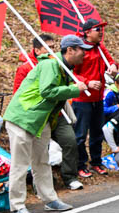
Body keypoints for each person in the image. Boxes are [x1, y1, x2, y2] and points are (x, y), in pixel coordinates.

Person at [4, 35, 88, 213]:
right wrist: (75, 89)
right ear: (70, 50)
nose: (85, 53)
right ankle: (17, 205)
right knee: (20, 164)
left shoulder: (64, 68)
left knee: (42, 161)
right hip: (23, 118)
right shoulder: (51, 64)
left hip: (42, 121)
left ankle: (50, 199)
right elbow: (47, 91)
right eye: (81, 49)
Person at [12, 35, 82, 191]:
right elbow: (21, 93)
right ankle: (34, 190)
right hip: (35, 116)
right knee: (34, 156)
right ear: (37, 50)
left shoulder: (59, 64)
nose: (52, 49)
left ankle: (68, 178)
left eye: (53, 46)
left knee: (69, 141)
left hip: (57, 114)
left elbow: (71, 81)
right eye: (47, 46)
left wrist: (82, 85)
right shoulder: (27, 68)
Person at [72, 19, 115, 178]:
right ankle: (80, 165)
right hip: (82, 100)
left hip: (98, 99)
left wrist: (113, 66)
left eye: (102, 29)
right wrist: (87, 83)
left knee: (97, 132)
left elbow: (110, 61)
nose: (101, 32)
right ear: (88, 32)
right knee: (81, 135)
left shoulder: (100, 47)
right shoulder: (79, 50)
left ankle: (96, 162)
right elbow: (71, 74)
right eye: (98, 29)